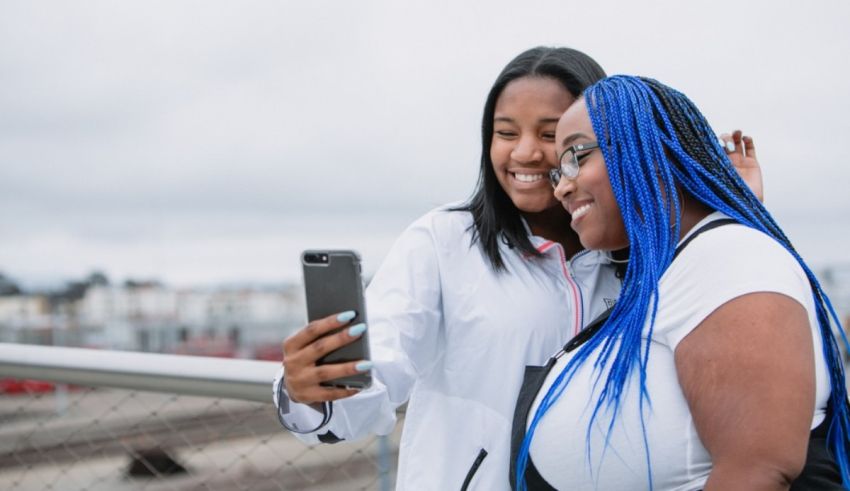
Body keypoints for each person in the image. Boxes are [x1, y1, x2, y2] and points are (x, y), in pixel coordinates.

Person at [273, 47, 760, 490]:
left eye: (550, 135)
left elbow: (731, 350)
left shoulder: (646, 256)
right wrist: (316, 392)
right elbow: (376, 374)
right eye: (505, 132)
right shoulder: (442, 243)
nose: (524, 152)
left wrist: (730, 212)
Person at [514, 75, 849, 490]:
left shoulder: (729, 257)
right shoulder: (691, 265)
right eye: (556, 173)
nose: (562, 187)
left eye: (575, 156)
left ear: (648, 147)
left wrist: (727, 229)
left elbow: (756, 471)